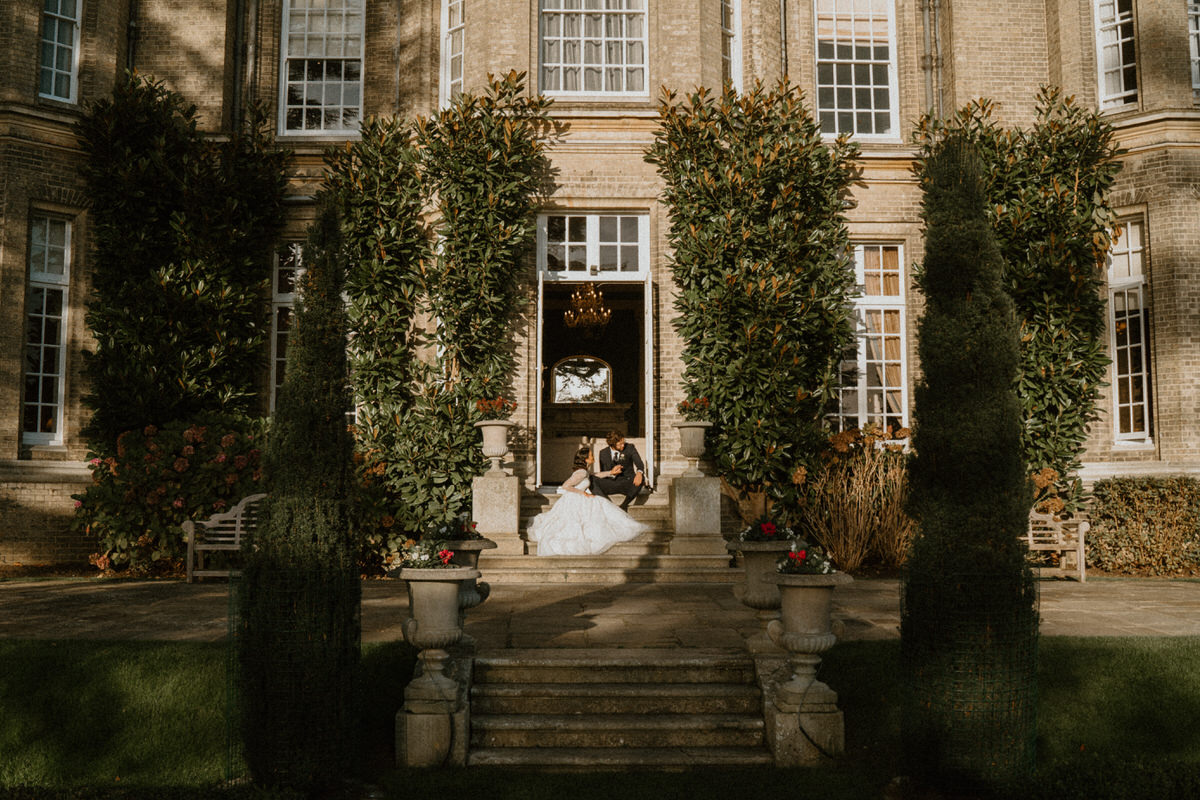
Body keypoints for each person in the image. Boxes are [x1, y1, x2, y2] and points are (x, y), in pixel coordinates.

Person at [528, 445, 647, 556]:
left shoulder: (584, 471)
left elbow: (594, 475)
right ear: (586, 459)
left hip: (578, 498)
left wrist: (610, 472)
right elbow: (565, 486)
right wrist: (583, 493)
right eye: (591, 455)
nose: (593, 457)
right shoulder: (581, 472)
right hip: (575, 499)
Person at [591, 430, 646, 511]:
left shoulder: (630, 448)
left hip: (627, 482)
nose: (623, 445)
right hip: (611, 483)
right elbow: (603, 472)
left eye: (623, 442)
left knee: (641, 478)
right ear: (612, 445)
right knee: (592, 479)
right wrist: (612, 473)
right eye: (620, 444)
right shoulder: (603, 453)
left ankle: (624, 505)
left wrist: (639, 473)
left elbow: (639, 463)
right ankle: (605, 504)